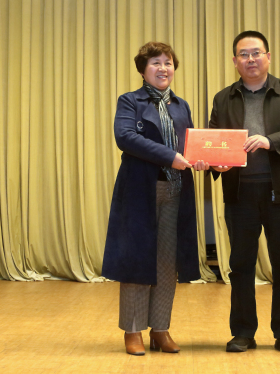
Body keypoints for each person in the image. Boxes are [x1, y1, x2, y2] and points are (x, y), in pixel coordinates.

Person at [209, 31, 280, 353]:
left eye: (256, 53)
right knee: (241, 266)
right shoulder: (223, 98)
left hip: (279, 191)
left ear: (268, 56)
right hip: (239, 194)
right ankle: (243, 332)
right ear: (234, 61)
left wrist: (271, 141)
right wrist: (216, 164)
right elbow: (213, 140)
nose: (251, 59)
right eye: (244, 54)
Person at [102, 41, 209, 356]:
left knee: (167, 262)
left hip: (176, 191)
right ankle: (133, 330)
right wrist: (170, 156)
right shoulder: (130, 101)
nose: (163, 68)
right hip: (140, 191)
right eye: (156, 63)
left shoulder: (181, 105)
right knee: (137, 259)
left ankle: (160, 329)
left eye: (168, 63)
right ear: (143, 69)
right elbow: (126, 137)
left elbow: (191, 145)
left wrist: (203, 159)